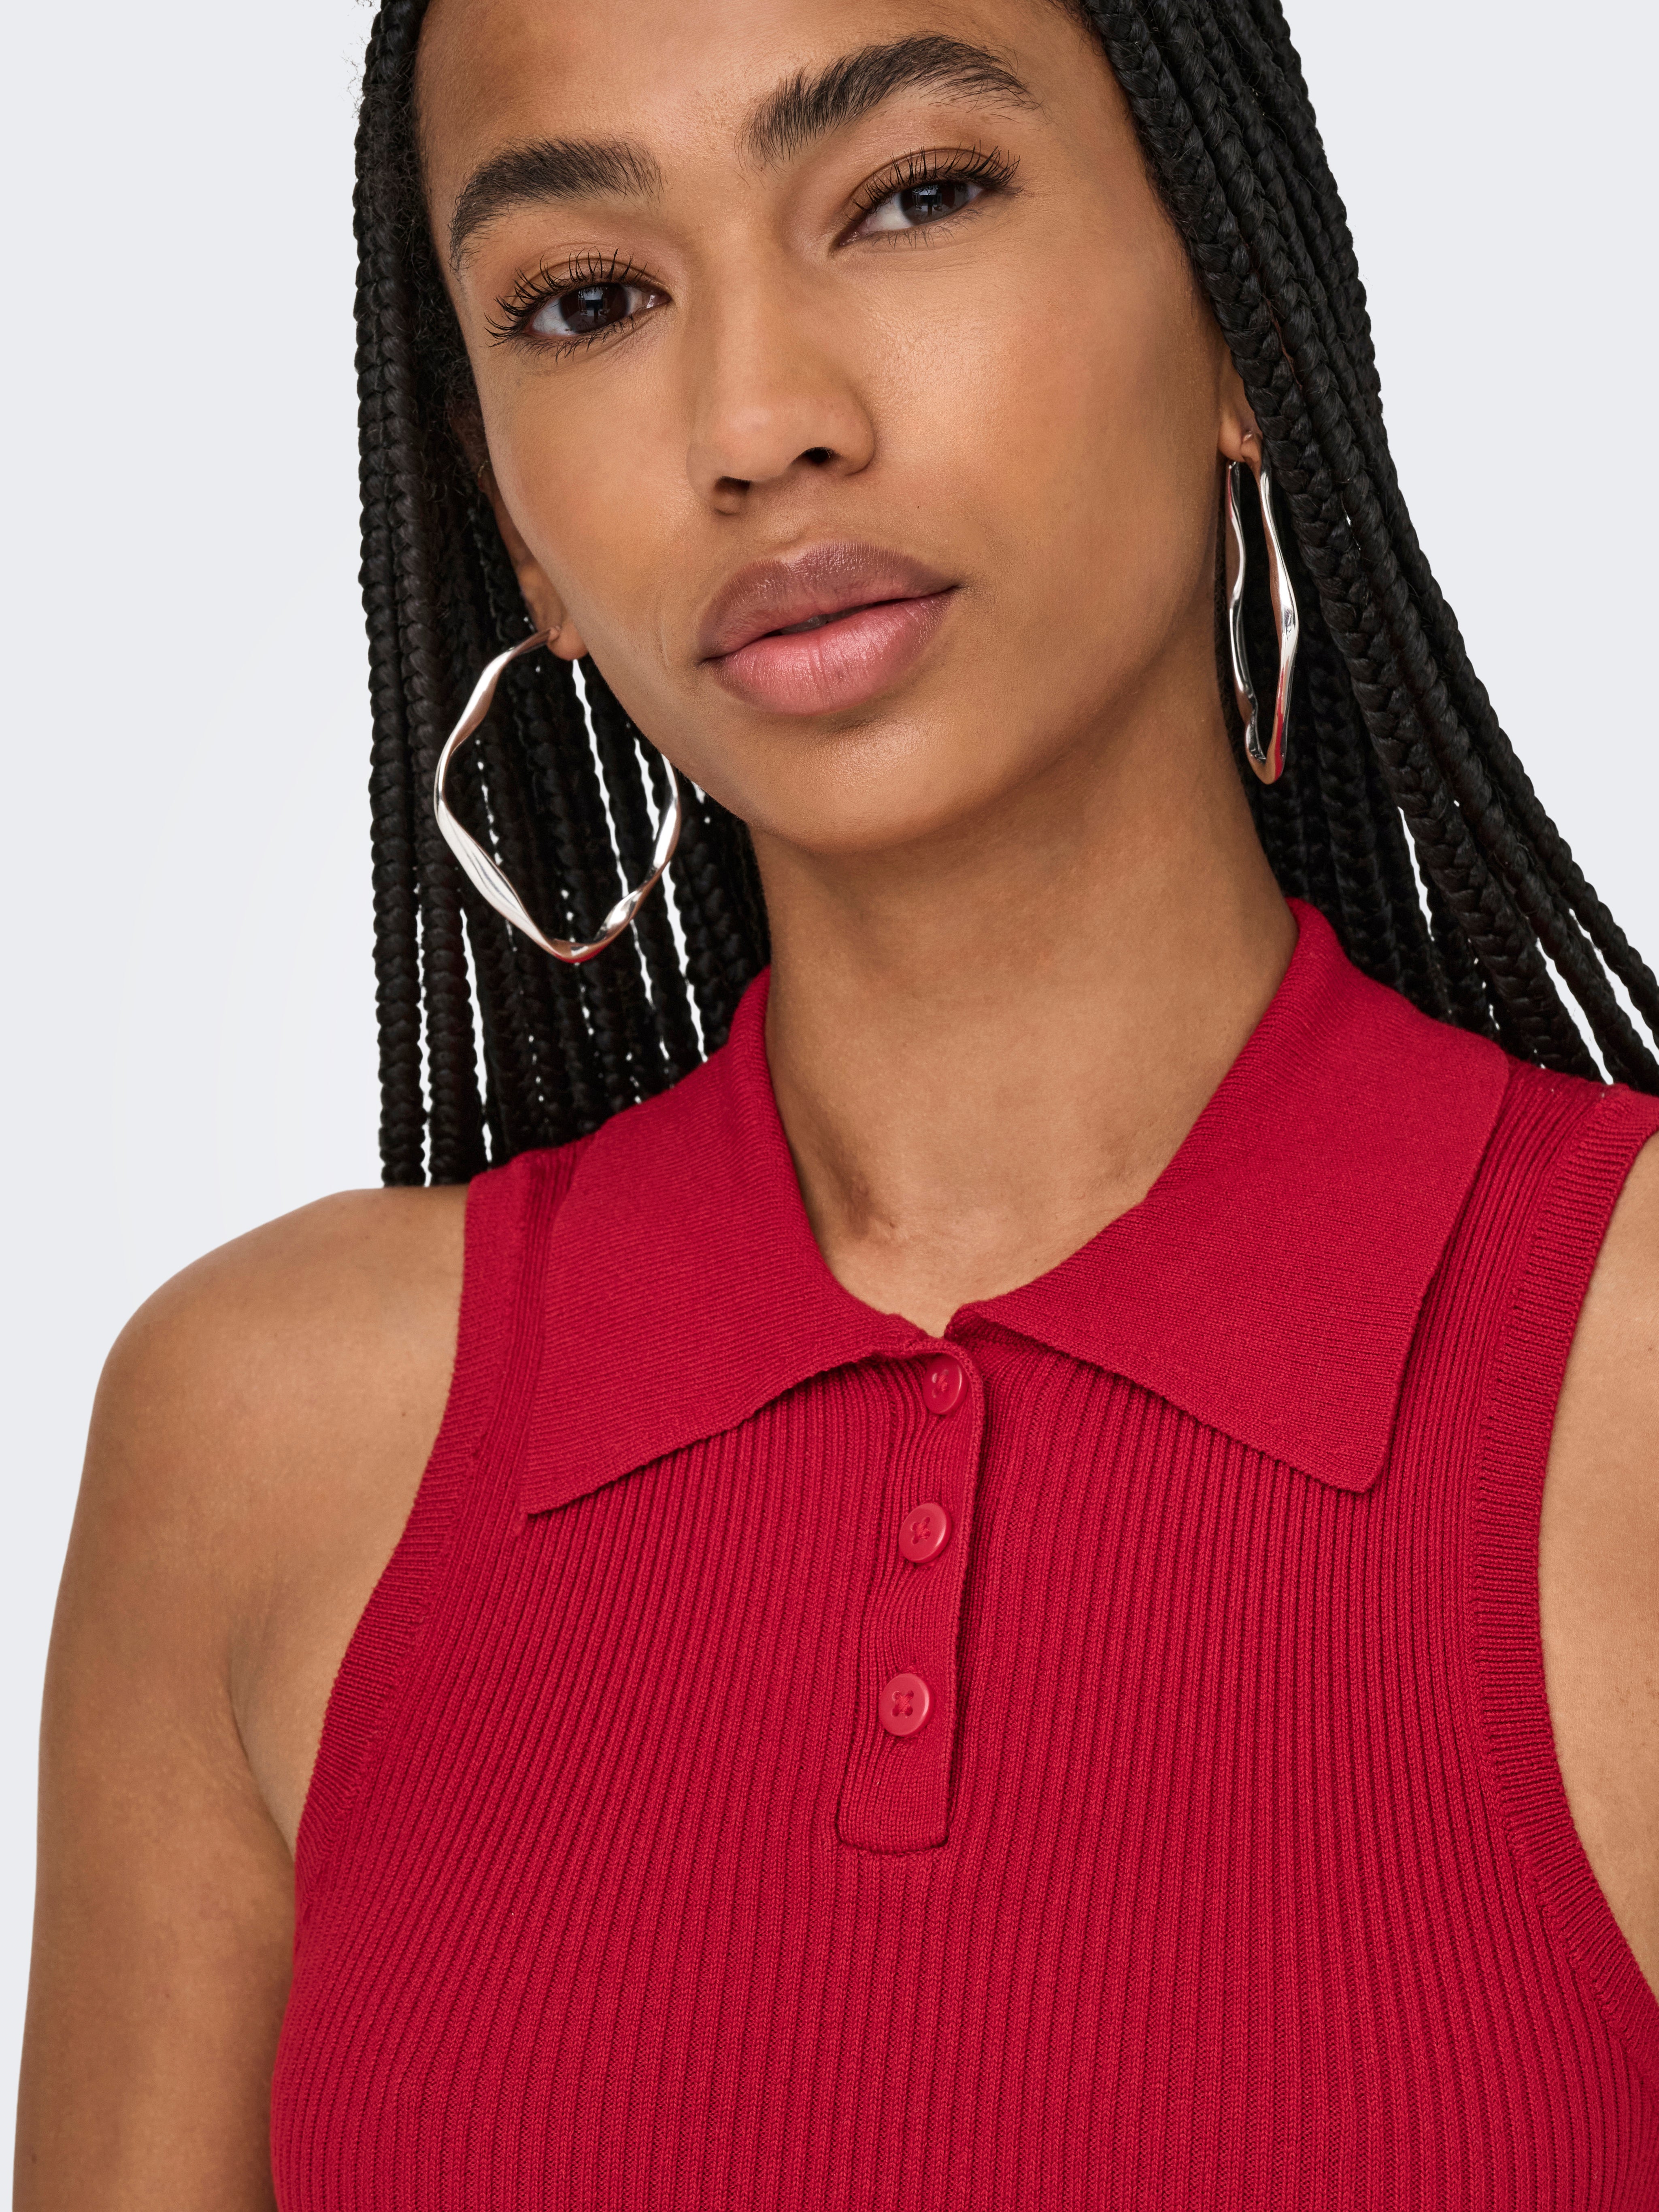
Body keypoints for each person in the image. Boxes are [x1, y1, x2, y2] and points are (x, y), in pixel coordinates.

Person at [17, 0, 1659, 2202]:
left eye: (912, 197)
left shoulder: (1627, 1380)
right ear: (512, 528)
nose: (756, 422)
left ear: (1238, 311)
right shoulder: (267, 1443)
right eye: (586, 302)